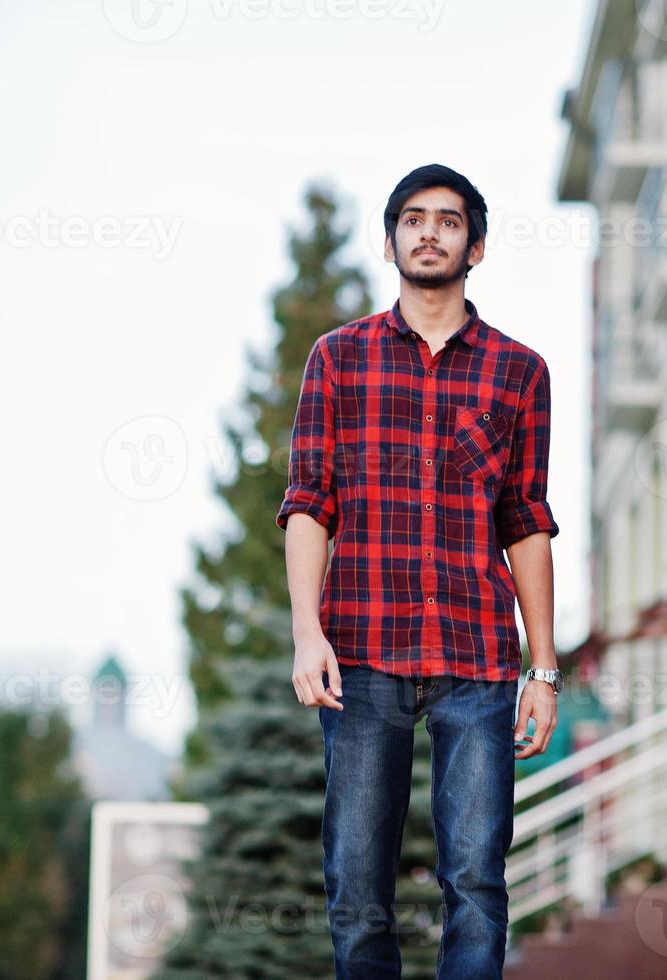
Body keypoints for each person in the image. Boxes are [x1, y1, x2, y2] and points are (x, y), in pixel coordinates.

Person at [276, 162, 562, 979]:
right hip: (362, 654)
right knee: (357, 886)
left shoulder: (519, 371)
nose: (427, 231)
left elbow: (526, 522)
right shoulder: (338, 359)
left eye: (446, 219)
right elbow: (308, 506)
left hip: (476, 659)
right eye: (411, 218)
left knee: (475, 878)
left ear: (476, 244)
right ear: (392, 237)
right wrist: (308, 634)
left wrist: (540, 670)